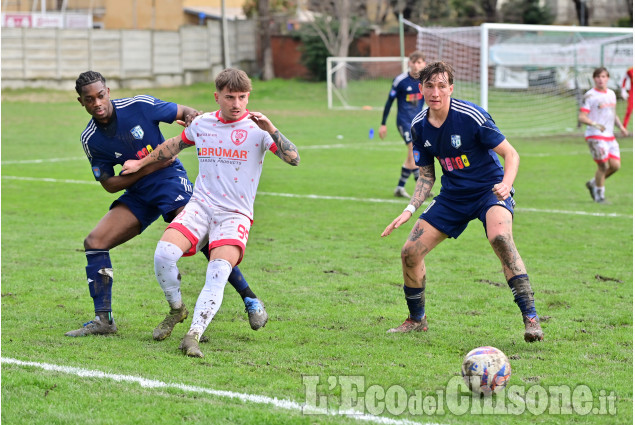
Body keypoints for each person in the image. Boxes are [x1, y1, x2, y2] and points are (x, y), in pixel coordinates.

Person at [66, 71, 268, 338]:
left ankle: (249, 299)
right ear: (81, 102)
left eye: (101, 95)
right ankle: (104, 320)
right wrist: (146, 168)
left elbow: (188, 113)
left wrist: (202, 135)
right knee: (94, 242)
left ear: (108, 91)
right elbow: (110, 184)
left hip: (169, 181)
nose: (97, 103)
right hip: (138, 193)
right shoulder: (90, 138)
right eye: (89, 99)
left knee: (201, 236)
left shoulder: (139, 106)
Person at [121, 68, 300, 357]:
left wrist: (272, 129)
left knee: (217, 272)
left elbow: (294, 159)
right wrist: (140, 164)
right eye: (230, 97)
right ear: (217, 97)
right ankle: (177, 309)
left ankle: (193, 336)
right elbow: (173, 145)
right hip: (200, 206)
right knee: (163, 255)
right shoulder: (203, 123)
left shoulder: (258, 129)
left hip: (235, 215)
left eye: (242, 97)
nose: (237, 104)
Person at [381, 61, 543, 343]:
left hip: (489, 191)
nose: (436, 92)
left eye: (442, 86)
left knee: (501, 238)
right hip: (453, 196)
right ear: (421, 89)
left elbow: (511, 154)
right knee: (410, 252)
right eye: (430, 86)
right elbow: (427, 176)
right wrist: (409, 209)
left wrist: (506, 183)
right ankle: (417, 320)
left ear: (451, 89)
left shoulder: (471, 116)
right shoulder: (419, 126)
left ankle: (531, 318)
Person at [379, 51, 427, 198]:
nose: (416, 65)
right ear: (409, 63)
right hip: (404, 121)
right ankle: (420, 186)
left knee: (412, 155)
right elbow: (389, 102)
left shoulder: (426, 80)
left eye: (419, 62)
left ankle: (400, 187)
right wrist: (383, 123)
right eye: (414, 62)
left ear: (424, 64)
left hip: (418, 121)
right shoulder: (400, 80)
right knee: (413, 150)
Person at [578, 67, 629, 204]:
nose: (601, 79)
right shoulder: (590, 96)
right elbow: (582, 117)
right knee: (603, 167)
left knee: (616, 166)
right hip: (595, 136)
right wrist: (595, 124)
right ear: (594, 79)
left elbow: (612, 114)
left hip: (610, 136)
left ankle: (593, 183)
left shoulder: (611, 94)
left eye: (603, 76)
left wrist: (622, 127)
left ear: (608, 78)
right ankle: (600, 196)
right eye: (598, 77)